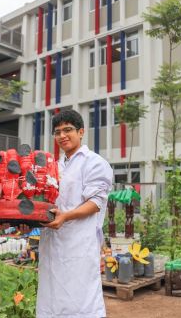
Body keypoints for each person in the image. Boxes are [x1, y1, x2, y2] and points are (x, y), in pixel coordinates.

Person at [36, 109, 113, 318]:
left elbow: (96, 202)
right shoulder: (55, 166)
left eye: (68, 130)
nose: (62, 136)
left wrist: (65, 217)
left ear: (81, 132)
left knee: (79, 302)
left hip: (79, 243)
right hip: (52, 242)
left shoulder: (94, 162)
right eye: (58, 132)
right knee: (52, 299)